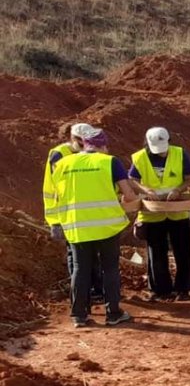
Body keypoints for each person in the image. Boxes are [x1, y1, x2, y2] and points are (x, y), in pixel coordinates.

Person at [51, 129, 139, 328]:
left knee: (80, 269)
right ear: (102, 145)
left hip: (76, 225)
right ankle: (113, 313)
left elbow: (58, 195)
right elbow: (129, 195)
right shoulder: (109, 161)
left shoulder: (63, 163)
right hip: (105, 226)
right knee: (110, 268)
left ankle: (78, 315)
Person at [130, 127, 190, 301]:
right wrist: (146, 189)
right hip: (153, 212)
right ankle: (160, 290)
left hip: (177, 211)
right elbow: (132, 179)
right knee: (156, 252)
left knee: (183, 251)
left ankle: (183, 288)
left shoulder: (180, 154)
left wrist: (178, 189)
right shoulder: (140, 157)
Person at [44, 122, 104, 301]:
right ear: (74, 139)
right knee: (75, 256)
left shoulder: (89, 152)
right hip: (68, 214)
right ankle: (80, 293)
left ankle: (96, 290)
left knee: (93, 253)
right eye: (82, 141)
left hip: (88, 213)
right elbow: (56, 187)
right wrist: (55, 221)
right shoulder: (59, 154)